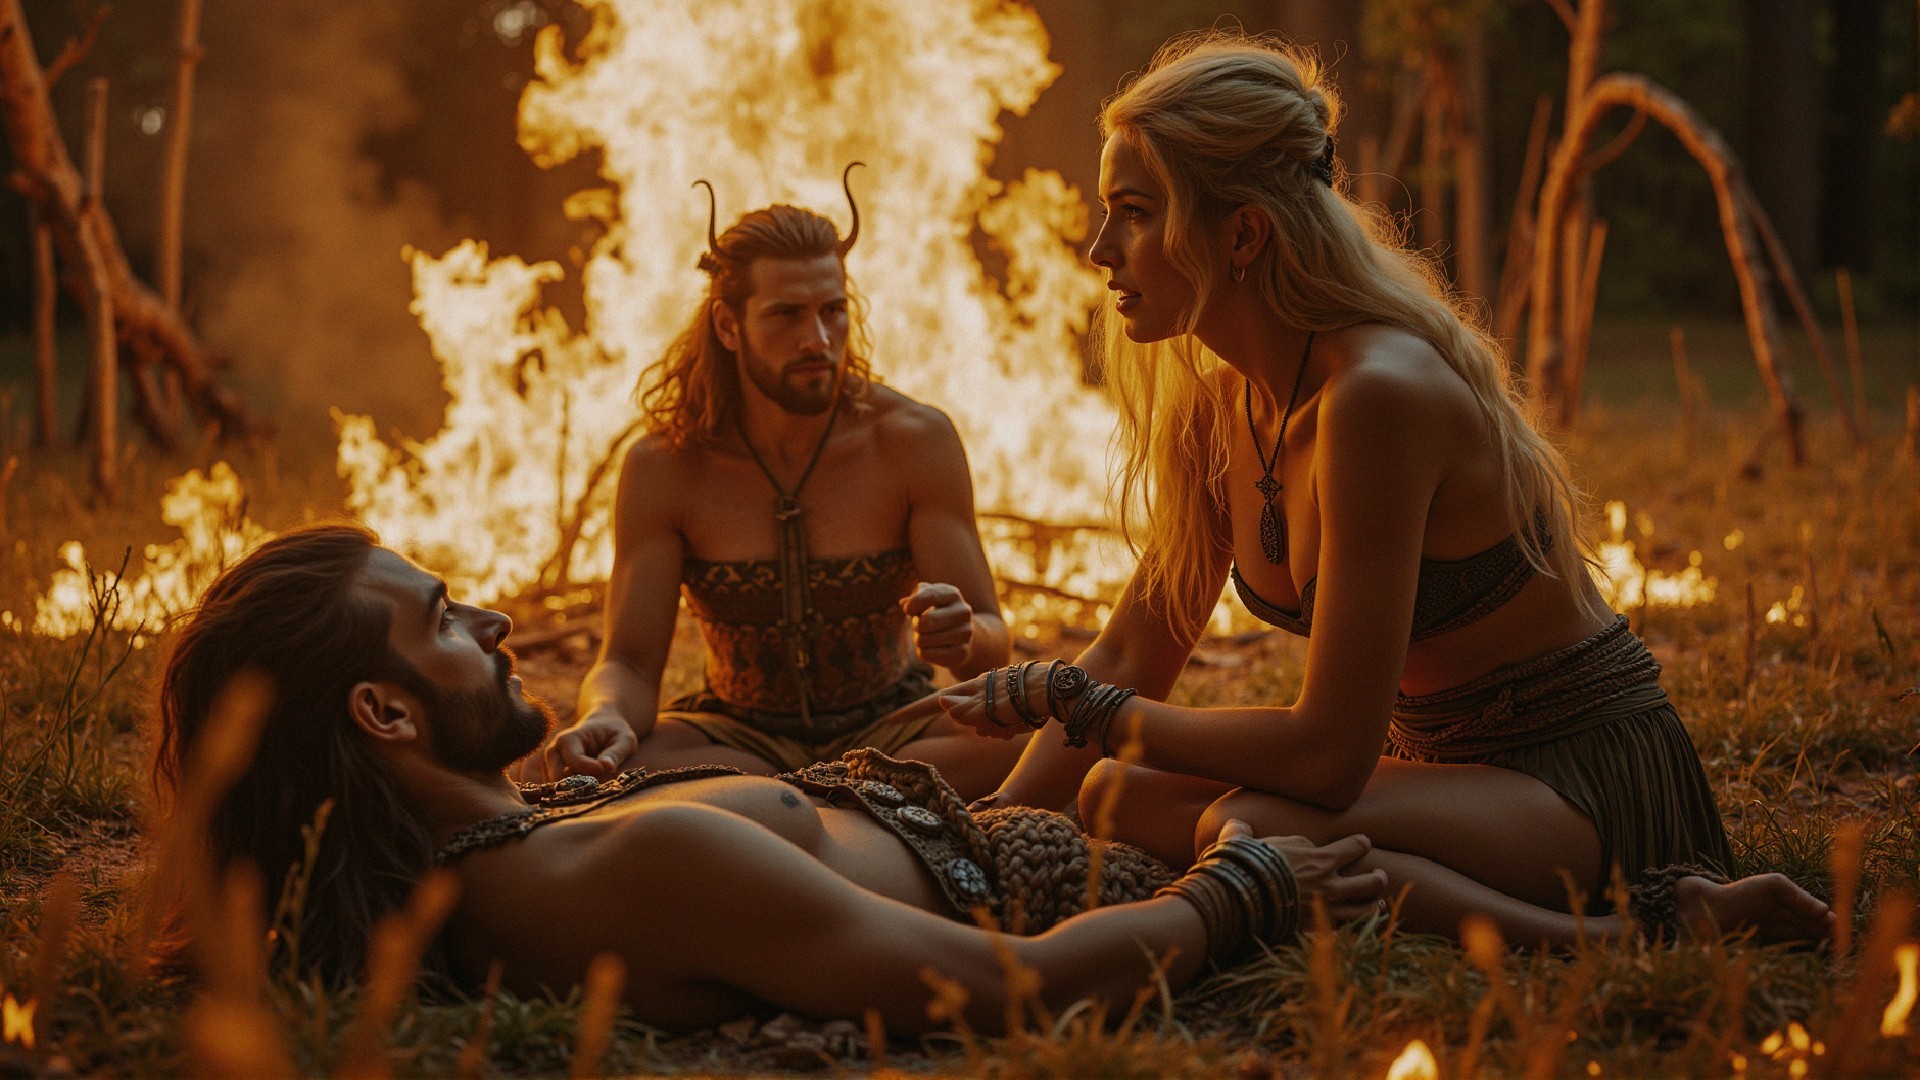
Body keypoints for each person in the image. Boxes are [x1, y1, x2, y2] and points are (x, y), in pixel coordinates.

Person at [937, 33, 1834, 944]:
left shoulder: (1376, 397)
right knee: (1117, 791)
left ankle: (1636, 934)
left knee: (1246, 830)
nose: (1099, 249)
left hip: (1571, 781)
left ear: (1242, 231)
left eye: (1133, 212)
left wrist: (1077, 701)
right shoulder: (1220, 411)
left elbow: (1327, 755)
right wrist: (982, 837)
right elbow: (1132, 654)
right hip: (1432, 777)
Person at [154, 525, 1396, 1031]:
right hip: (1069, 871)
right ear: (383, 711)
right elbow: (1005, 985)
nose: (490, 618)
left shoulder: (487, 851)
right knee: (1280, 793)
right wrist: (1241, 891)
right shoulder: (635, 865)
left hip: (978, 814)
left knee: (1117, 650)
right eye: (438, 617)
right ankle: (1583, 874)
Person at [540, 168, 1020, 796]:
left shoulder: (914, 440)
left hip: (902, 734)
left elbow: (990, 638)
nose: (817, 339)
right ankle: (812, 809)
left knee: (1055, 744)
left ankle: (787, 815)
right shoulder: (662, 467)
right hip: (737, 744)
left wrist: (966, 635)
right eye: (786, 316)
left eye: (833, 312)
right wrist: (603, 715)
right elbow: (628, 663)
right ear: (728, 326)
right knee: (573, 776)